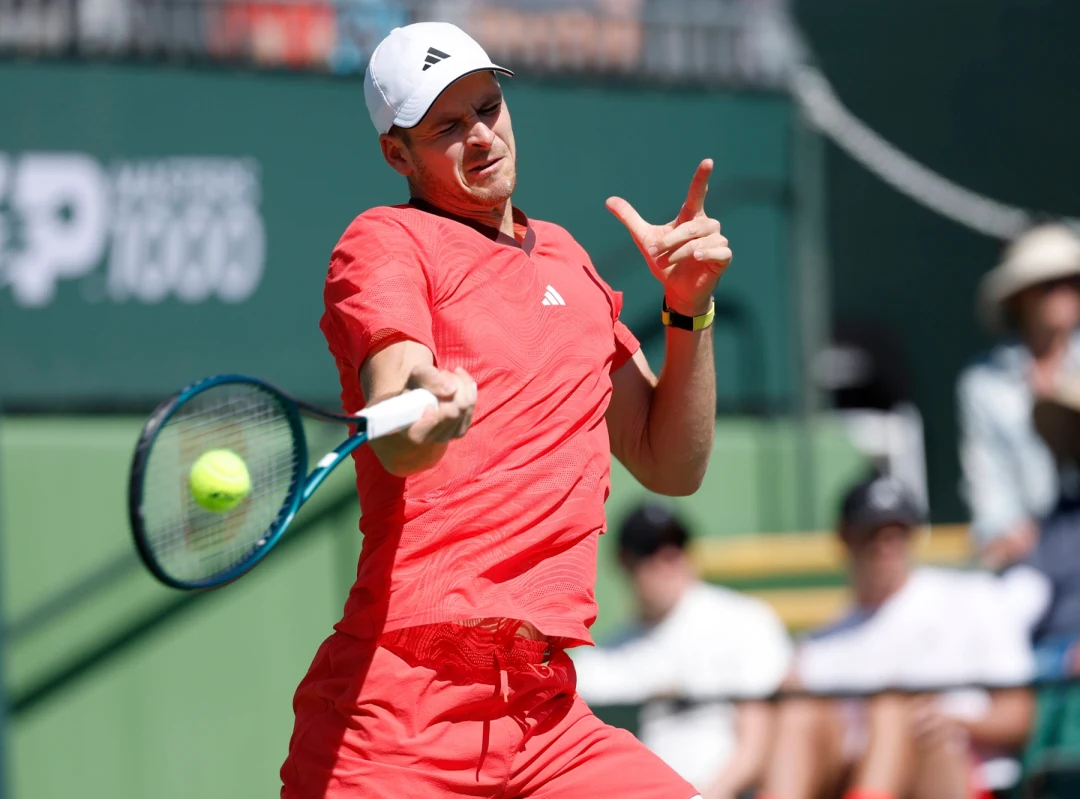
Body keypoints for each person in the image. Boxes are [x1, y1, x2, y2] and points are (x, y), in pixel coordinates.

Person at [280, 21, 733, 799]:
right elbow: (399, 403)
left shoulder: (566, 257)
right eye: (448, 128)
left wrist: (688, 312)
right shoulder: (384, 242)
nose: (482, 136)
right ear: (398, 154)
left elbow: (671, 462)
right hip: (400, 712)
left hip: (543, 710)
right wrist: (430, 410)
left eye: (488, 108)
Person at [760, 474, 1036, 799]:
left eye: (897, 533)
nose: (886, 546)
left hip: (958, 775)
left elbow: (1018, 716)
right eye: (872, 534)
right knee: (800, 710)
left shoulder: (973, 598)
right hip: (852, 776)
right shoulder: (819, 645)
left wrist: (952, 719)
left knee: (895, 708)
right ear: (846, 537)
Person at [573, 502, 792, 799]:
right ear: (625, 561)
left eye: (677, 544)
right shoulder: (599, 661)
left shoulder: (743, 620)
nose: (668, 557)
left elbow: (757, 743)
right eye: (650, 548)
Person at [958, 222, 1080, 569]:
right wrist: (1004, 532)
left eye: (1072, 282)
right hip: (1026, 556)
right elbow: (985, 475)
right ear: (1019, 297)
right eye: (1049, 285)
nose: (1065, 294)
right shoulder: (983, 382)